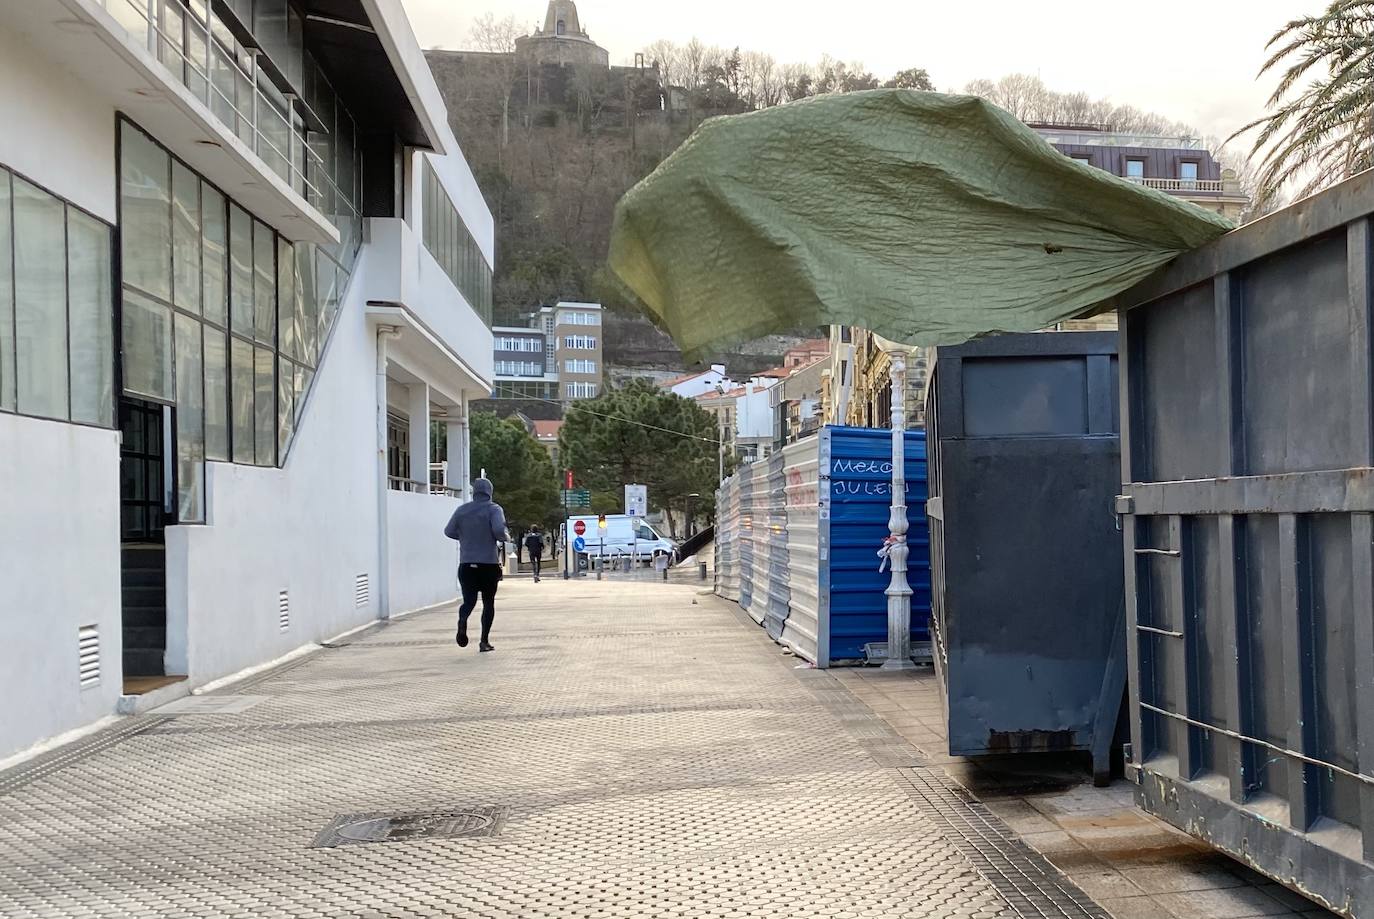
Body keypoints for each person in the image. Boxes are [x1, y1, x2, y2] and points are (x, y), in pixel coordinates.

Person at [443, 478, 507, 653]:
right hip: (488, 564)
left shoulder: (462, 510)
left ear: (474, 492)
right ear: (490, 492)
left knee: (469, 600)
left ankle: (463, 620)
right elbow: (500, 531)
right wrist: (505, 537)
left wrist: (465, 537)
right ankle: (484, 641)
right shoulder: (494, 509)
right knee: (488, 603)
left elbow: (448, 531)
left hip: (466, 564)